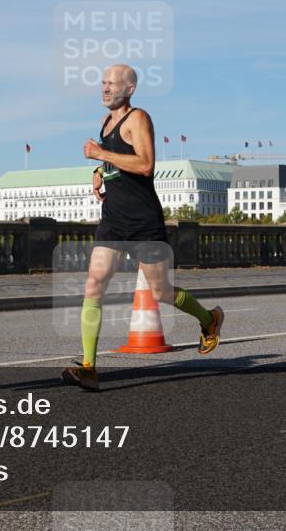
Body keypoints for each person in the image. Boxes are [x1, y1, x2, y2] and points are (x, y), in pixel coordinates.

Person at [62, 64, 223, 391]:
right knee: (94, 283)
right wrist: (99, 172)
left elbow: (146, 165)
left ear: (130, 88)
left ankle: (210, 319)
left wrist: (100, 153)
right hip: (113, 220)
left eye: (112, 83)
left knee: (161, 291)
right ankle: (89, 367)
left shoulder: (139, 119)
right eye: (103, 83)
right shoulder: (106, 121)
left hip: (143, 221)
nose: (105, 88)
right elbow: (116, 160)